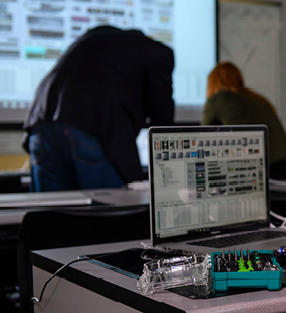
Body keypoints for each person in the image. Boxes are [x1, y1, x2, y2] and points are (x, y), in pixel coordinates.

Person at [23, 25, 174, 191]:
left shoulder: (92, 37)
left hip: (41, 125)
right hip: (92, 127)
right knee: (117, 210)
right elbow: (162, 116)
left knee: (50, 213)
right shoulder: (158, 52)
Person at [202, 61, 286, 179]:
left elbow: (202, 137)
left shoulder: (217, 98)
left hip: (270, 169)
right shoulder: (258, 99)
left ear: (212, 83)